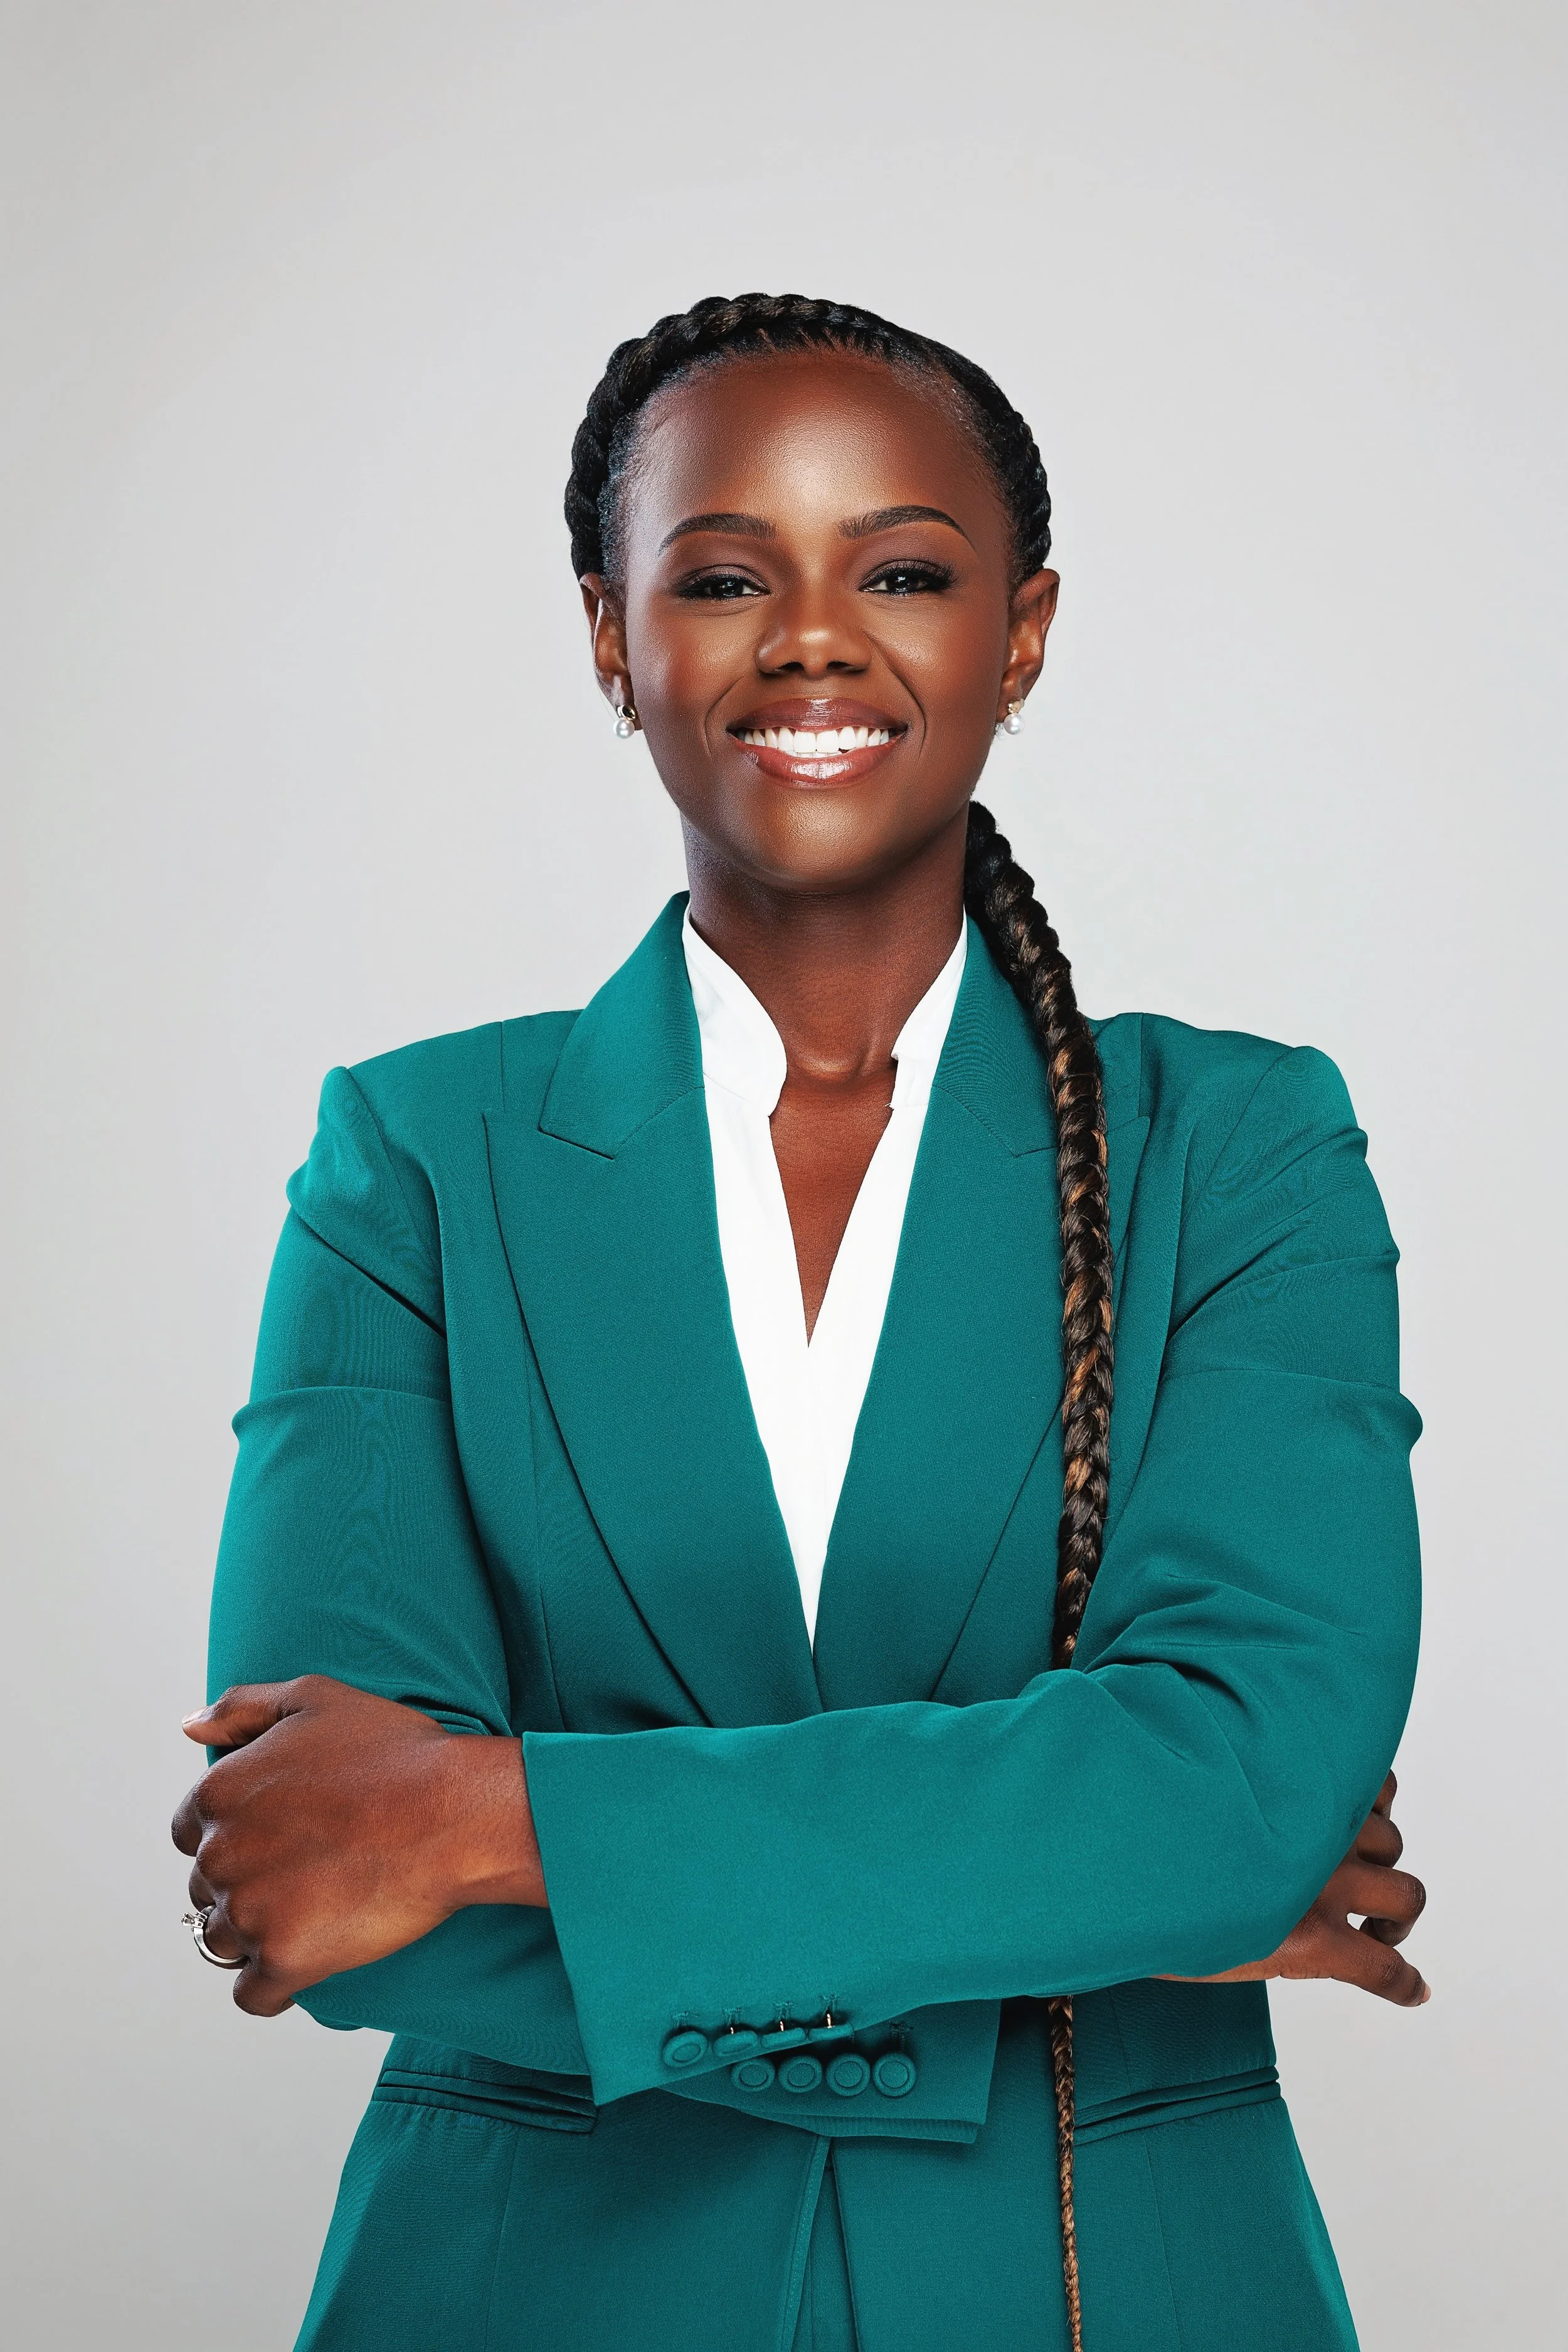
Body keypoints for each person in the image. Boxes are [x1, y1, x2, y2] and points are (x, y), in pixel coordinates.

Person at [172, 293, 1428, 2352]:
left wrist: (484, 1819)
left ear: (1018, 633)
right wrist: (1093, 1914)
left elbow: (1238, 1784)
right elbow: (327, 1885)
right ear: (611, 636)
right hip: (533, 2293)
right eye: (725, 573)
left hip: (1108, 2282)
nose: (815, 636)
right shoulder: (414, 1155)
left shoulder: (1244, 1147)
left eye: (905, 569)